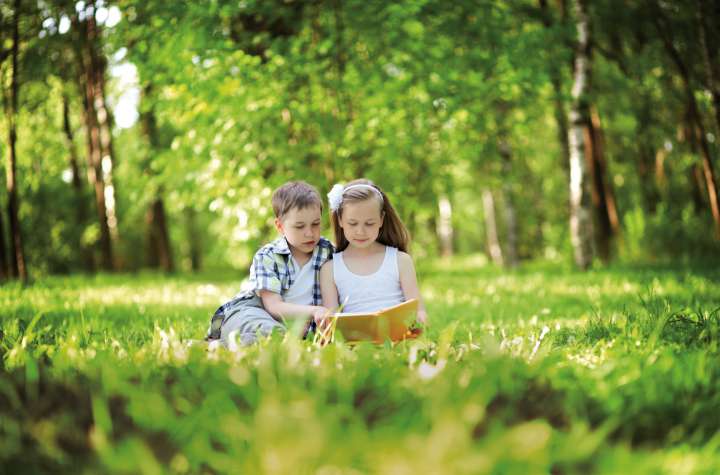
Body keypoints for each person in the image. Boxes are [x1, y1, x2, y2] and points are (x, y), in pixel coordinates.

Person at [206, 181, 333, 346]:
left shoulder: (327, 252)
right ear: (280, 226)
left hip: (292, 327)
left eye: (316, 224)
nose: (309, 233)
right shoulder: (268, 256)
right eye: (299, 226)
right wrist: (314, 311)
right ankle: (229, 342)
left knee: (281, 339)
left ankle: (227, 346)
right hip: (252, 311)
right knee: (269, 331)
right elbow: (273, 306)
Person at [319, 179, 427, 324]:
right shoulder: (330, 269)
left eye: (369, 223)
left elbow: (418, 309)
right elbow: (330, 322)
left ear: (381, 219)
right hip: (354, 343)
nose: (361, 231)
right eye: (353, 223)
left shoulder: (400, 260)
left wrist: (420, 321)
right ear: (340, 220)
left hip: (398, 340)